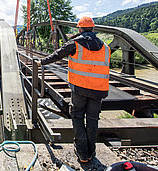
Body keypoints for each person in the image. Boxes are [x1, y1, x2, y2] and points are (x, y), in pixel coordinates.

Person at [36, 16, 110, 169]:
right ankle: (91, 153)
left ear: (79, 29)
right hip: (99, 90)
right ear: (93, 29)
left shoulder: (75, 43)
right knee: (92, 120)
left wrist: (41, 62)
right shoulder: (105, 47)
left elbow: (58, 54)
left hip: (80, 88)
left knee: (77, 117)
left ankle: (82, 154)